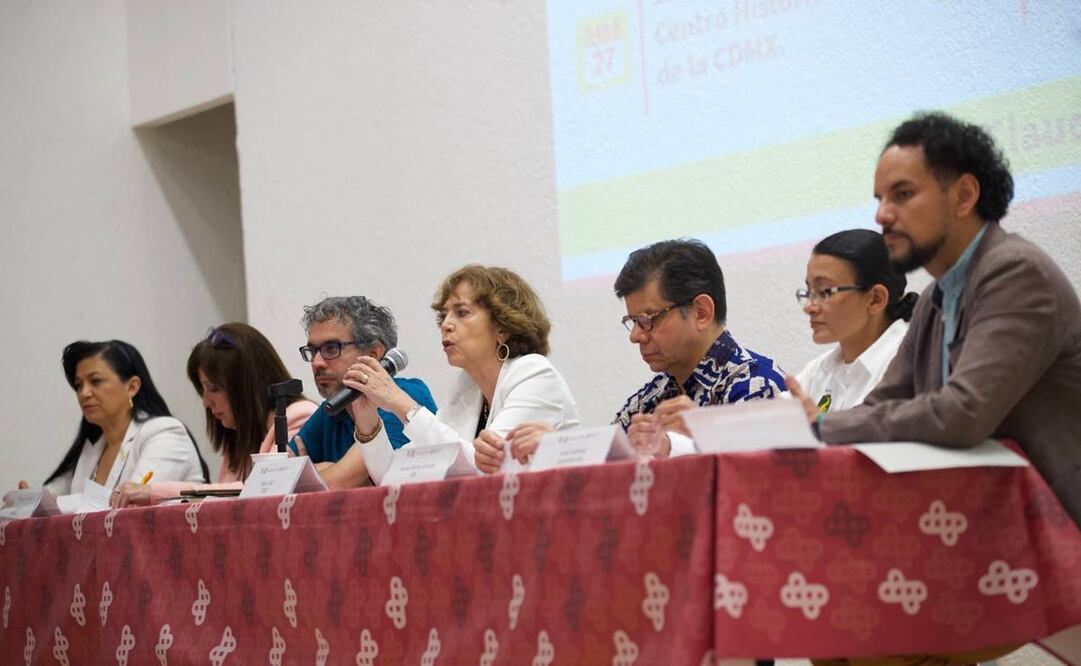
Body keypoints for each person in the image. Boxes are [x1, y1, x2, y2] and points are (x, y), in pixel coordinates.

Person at [788, 112, 1081, 535]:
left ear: (963, 196)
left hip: (1058, 536)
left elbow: (963, 412)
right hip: (979, 530)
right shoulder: (934, 299)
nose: (882, 215)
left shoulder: (1015, 272)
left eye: (902, 195)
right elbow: (880, 407)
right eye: (879, 199)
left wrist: (820, 424)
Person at [319, 265, 580, 487]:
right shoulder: (466, 389)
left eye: (462, 312)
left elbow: (482, 469)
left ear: (502, 327)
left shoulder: (534, 374)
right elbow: (396, 479)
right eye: (444, 315)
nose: (446, 324)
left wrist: (399, 401)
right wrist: (367, 421)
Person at [615, 239, 786, 458]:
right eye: (633, 321)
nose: (636, 336)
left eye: (648, 319)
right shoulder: (649, 399)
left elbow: (760, 481)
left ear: (701, 312)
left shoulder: (758, 387)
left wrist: (704, 434)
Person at [113, 324, 317, 506]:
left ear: (246, 385)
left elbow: (260, 489)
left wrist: (153, 492)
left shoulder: (298, 417)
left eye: (214, 388)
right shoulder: (240, 434)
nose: (206, 401)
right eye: (203, 390)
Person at [41, 340, 209, 501]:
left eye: (95, 381)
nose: (84, 393)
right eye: (78, 385)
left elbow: (131, 503)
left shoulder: (164, 433)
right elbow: (51, 496)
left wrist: (61, 503)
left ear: (132, 387)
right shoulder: (92, 447)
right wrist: (29, 501)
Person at [288, 296, 436, 466]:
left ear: (373, 354)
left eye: (331, 348)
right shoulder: (331, 410)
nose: (316, 362)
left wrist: (312, 472)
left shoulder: (403, 396)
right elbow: (281, 477)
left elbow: (344, 480)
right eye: (313, 351)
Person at [794, 229, 918, 413]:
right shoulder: (818, 370)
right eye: (809, 292)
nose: (809, 307)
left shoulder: (911, 362)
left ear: (876, 299)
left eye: (825, 291)